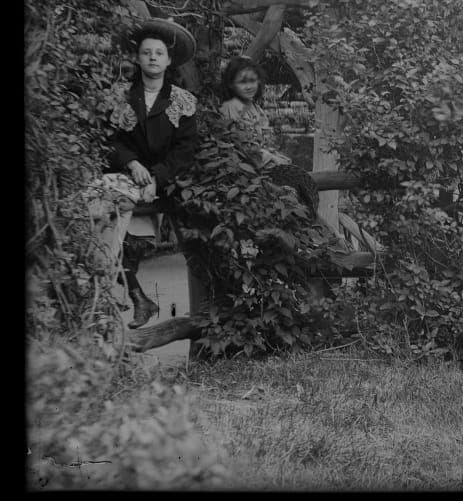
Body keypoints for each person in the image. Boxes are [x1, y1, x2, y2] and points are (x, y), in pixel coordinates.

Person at [96, 18, 198, 328]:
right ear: (137, 58)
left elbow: (184, 152)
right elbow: (109, 140)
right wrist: (131, 163)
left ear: (168, 61)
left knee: (116, 212)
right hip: (125, 174)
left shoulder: (182, 101)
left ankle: (121, 293)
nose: (152, 58)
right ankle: (129, 293)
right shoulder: (120, 95)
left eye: (159, 53)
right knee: (99, 208)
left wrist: (156, 177)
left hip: (165, 181)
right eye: (146, 53)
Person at [219, 55, 318, 214]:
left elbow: (265, 140)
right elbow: (240, 144)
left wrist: (275, 155)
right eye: (242, 82)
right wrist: (270, 158)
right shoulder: (230, 108)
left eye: (252, 81)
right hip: (247, 167)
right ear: (231, 84)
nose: (249, 86)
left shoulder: (255, 108)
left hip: (264, 161)